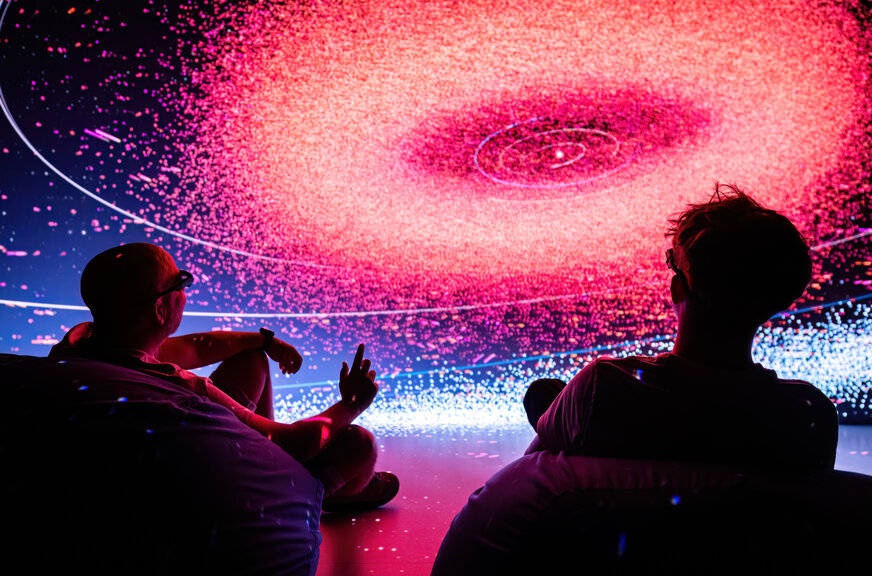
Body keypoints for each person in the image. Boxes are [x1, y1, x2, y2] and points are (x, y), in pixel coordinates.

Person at [49, 242, 399, 512]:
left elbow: (196, 347)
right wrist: (352, 404)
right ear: (160, 309)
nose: (186, 292)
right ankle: (316, 493)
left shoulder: (82, 341)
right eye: (180, 283)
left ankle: (285, 466)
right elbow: (293, 441)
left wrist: (264, 342)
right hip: (219, 484)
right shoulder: (183, 390)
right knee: (360, 445)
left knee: (252, 360)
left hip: (143, 464)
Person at [523, 183, 839, 470]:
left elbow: (525, 477)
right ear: (778, 301)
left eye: (674, 263)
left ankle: (550, 412)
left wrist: (568, 408)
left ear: (678, 288)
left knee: (544, 396)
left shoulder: (602, 388)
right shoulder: (811, 414)